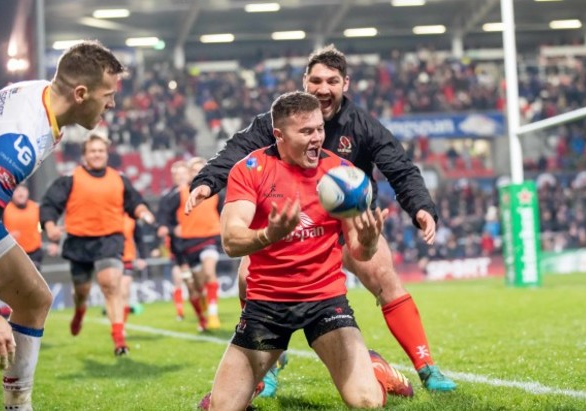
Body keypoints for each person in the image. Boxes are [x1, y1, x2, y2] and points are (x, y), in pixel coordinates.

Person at [186, 44, 456, 392]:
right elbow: (235, 152)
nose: (323, 88)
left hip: (347, 223)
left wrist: (421, 206)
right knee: (248, 278)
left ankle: (426, 366)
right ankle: (266, 366)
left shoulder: (362, 125)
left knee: (384, 276)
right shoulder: (279, 121)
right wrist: (207, 181)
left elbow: (399, 167)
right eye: (315, 80)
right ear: (305, 82)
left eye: (332, 80)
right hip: (290, 225)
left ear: (346, 84)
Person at [201, 91, 412, 411]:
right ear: (279, 135)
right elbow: (231, 241)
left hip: (325, 301)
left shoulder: (342, 174)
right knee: (220, 408)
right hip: (267, 305)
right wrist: (270, 234)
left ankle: (377, 371)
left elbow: (357, 250)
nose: (317, 138)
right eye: (306, 132)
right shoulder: (250, 169)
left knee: (366, 402)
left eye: (319, 129)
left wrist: (368, 241)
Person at [0, 40, 124, 410]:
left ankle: (18, 406)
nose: (112, 104)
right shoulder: (20, 140)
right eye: (108, 95)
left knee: (34, 299)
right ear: (81, 93)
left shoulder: (41, 96)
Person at [40, 133, 155, 356]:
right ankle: (80, 310)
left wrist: (143, 212)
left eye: (101, 151)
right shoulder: (70, 178)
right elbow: (49, 204)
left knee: (111, 283)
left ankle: (119, 340)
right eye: (92, 151)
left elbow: (135, 202)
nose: (97, 154)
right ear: (84, 155)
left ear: (106, 154)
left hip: (110, 239)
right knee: (82, 291)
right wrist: (50, 226)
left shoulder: (119, 179)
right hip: (79, 242)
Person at [158, 157, 223, 331]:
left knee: (210, 271)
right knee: (194, 288)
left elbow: (225, 212)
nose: (199, 173)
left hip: (209, 240)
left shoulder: (216, 192)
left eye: (202, 169)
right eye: (194, 170)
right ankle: (201, 318)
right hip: (185, 247)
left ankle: (213, 314)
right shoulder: (178, 195)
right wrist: (172, 229)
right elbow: (163, 221)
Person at [157, 160, 194, 322]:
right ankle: (180, 311)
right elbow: (162, 223)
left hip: (196, 240)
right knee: (179, 278)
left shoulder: (197, 192)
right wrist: (173, 230)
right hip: (178, 245)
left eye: (183, 173)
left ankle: (204, 310)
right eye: (177, 174)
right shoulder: (168, 197)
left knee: (195, 282)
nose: (180, 177)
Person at [2, 184, 46, 272]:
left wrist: (54, 242)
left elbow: (44, 225)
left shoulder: (36, 207)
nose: (20, 193)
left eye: (22, 190)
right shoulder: (4, 209)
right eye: (16, 191)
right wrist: (7, 235)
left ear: (27, 192)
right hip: (13, 252)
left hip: (34, 251)